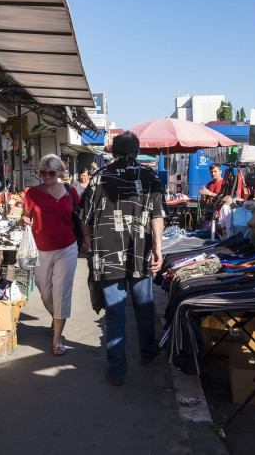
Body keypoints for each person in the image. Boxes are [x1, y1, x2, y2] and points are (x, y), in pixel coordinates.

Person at [79, 131, 164, 386]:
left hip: (107, 254)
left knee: (115, 314)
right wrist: (158, 248)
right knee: (144, 307)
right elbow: (157, 216)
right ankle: (148, 353)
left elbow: (85, 217)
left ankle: (117, 371)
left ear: (113, 152)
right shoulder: (150, 176)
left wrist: (88, 240)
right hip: (140, 254)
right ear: (137, 152)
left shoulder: (99, 176)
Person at [20, 154, 80, 356]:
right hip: (40, 249)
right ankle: (57, 318)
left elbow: (80, 217)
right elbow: (26, 215)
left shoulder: (71, 192)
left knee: (61, 292)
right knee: (45, 292)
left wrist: (87, 239)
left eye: (51, 173)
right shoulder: (32, 193)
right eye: (42, 173)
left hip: (67, 248)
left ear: (60, 173)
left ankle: (58, 338)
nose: (46, 177)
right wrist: (24, 220)